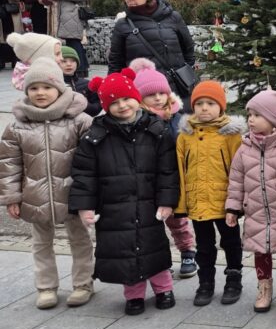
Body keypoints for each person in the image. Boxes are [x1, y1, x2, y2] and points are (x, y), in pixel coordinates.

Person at [69, 68, 179, 315]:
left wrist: (167, 201)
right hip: (113, 206)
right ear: (106, 106)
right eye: (114, 102)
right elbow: (84, 175)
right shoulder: (95, 136)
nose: (122, 106)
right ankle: (134, 295)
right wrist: (85, 207)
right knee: (123, 251)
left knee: (154, 247)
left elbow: (168, 171)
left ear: (136, 98)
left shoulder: (156, 130)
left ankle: (164, 289)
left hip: (148, 203)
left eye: (126, 99)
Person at [0, 59, 95, 309]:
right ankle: (46, 287)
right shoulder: (17, 125)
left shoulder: (80, 120)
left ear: (60, 88)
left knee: (80, 240)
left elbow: (94, 161)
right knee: (41, 243)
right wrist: (12, 197)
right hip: (35, 196)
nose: (40, 93)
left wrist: (92, 193)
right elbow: (9, 164)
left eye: (47, 87)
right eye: (34, 88)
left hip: (73, 194)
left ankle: (83, 283)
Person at [226, 89, 276, 313]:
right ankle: (264, 289)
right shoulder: (245, 147)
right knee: (261, 251)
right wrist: (233, 208)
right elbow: (236, 179)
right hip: (256, 211)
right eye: (249, 114)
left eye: (257, 115)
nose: (251, 119)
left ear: (274, 119)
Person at [175, 81, 245, 306]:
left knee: (231, 242)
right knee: (204, 246)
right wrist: (181, 204)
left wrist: (237, 203)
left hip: (225, 201)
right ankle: (205, 282)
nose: (204, 108)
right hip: (197, 201)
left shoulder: (231, 135)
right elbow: (180, 170)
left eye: (211, 103)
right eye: (199, 104)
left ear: (221, 106)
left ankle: (233, 279)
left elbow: (239, 170)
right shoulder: (185, 135)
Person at [129, 57, 196, 280]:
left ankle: (187, 252)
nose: (158, 98)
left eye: (161, 93)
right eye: (151, 95)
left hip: (172, 177)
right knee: (151, 222)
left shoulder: (178, 118)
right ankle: (160, 259)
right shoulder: (136, 120)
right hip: (146, 179)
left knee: (178, 220)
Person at [107, 0, 196, 106]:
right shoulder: (123, 25)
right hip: (144, 91)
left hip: (177, 88)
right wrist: (113, 88)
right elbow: (115, 61)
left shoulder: (173, 18)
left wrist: (184, 71)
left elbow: (188, 48)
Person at [53, 0, 90, 75]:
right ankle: (83, 68)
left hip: (74, 16)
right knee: (72, 42)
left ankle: (79, 70)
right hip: (66, 16)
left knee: (74, 43)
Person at [59, 47, 101, 117]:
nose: (69, 64)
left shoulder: (87, 84)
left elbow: (96, 108)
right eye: (64, 61)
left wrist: (84, 105)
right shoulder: (51, 85)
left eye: (73, 61)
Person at [0, 0, 24, 70]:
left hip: (11, 10)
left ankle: (15, 60)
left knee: (13, 34)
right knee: (2, 35)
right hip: (1, 10)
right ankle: (2, 61)